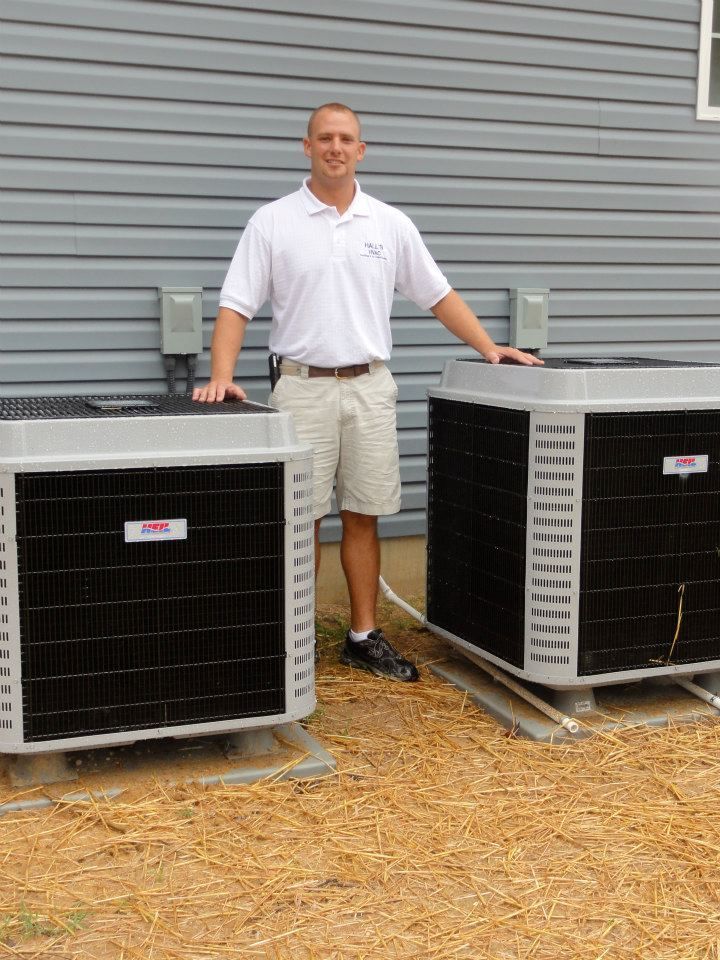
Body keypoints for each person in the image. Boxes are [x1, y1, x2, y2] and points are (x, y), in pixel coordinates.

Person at [193, 102, 543, 682]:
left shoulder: (389, 224)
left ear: (361, 151)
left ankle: (362, 636)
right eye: (324, 138)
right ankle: (293, 640)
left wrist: (488, 346)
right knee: (298, 519)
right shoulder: (272, 222)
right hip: (301, 390)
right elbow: (236, 304)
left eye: (346, 139)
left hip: (370, 389)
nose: (335, 147)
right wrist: (221, 375)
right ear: (307, 147)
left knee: (362, 515)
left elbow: (437, 294)